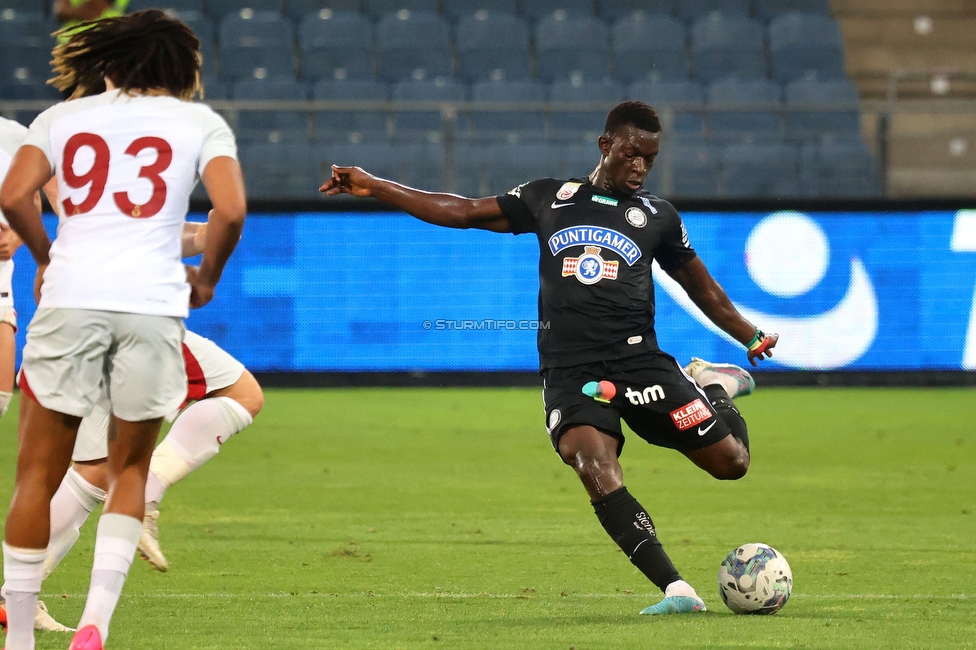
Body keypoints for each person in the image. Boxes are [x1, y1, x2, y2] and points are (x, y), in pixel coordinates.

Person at [320, 100, 778, 615]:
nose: (639, 167)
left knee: (731, 464)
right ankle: (678, 591)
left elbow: (702, 288)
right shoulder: (548, 199)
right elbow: (463, 211)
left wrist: (749, 333)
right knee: (594, 465)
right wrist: (378, 185)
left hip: (641, 365)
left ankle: (713, 386)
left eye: (649, 159)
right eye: (631, 154)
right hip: (573, 373)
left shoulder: (657, 217)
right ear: (605, 145)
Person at [0, 10, 245, 650]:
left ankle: (19, 639)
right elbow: (231, 208)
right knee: (128, 469)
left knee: (35, 477)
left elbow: (13, 195)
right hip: (150, 304)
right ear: (179, 69)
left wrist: (48, 256)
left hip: (70, 302)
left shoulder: (59, 121)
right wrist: (208, 275)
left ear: (105, 64)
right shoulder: (199, 124)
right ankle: (95, 624)